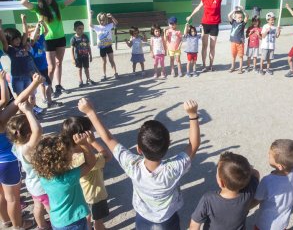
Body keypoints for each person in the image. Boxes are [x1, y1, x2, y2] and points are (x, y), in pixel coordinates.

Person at [76, 97, 200, 229]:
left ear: (138, 149)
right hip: (168, 220)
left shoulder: (132, 165)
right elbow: (193, 146)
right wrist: (193, 115)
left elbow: (109, 139)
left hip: (143, 217)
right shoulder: (174, 168)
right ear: (168, 145)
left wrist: (90, 112)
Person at [0, 72, 43, 229]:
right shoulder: (1, 118)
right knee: (12, 199)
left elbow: (4, 101)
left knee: (1, 194)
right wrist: (35, 84)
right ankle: (19, 225)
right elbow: (16, 101)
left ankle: (5, 221)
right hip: (7, 162)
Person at [21, 0, 77, 97]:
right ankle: (48, 89)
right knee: (51, 67)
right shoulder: (38, 8)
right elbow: (23, 3)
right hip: (47, 39)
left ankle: (58, 86)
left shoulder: (58, 5)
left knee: (59, 62)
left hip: (60, 38)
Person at [32, 131, 96, 229]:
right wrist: (85, 144)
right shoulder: (67, 179)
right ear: (62, 160)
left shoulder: (44, 176)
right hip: (73, 222)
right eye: (70, 151)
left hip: (57, 221)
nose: (72, 152)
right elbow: (90, 163)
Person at [61, 116, 112, 230]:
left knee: (87, 217)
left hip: (80, 195)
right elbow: (108, 156)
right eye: (90, 130)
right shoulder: (89, 158)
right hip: (96, 196)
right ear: (82, 136)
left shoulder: (69, 154)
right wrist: (93, 142)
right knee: (98, 220)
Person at [8, 97, 51, 230]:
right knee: (52, 209)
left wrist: (27, 110)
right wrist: (28, 112)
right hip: (42, 185)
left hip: (32, 185)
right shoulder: (27, 148)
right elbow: (38, 130)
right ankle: (57, 225)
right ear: (28, 134)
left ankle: (42, 226)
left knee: (38, 206)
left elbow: (17, 125)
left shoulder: (16, 145)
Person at [189, 152, 259, 229]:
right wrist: (246, 170)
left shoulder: (208, 199)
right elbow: (256, 173)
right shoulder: (249, 192)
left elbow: (194, 225)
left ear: (221, 183)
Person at [251, 139, 293, 230]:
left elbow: (256, 200)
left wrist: (244, 208)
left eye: (270, 155)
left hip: (265, 224)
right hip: (282, 223)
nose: (268, 155)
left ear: (279, 166)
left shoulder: (268, 181)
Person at [186, 0, 224, 72]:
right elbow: (198, 8)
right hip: (205, 24)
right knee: (204, 46)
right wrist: (190, 16)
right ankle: (204, 65)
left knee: (212, 46)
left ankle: (211, 65)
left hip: (214, 25)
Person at [28, 20, 63, 109]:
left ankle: (46, 100)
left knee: (45, 84)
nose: (38, 34)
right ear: (29, 36)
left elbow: (46, 31)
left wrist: (43, 24)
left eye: (38, 32)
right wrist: (37, 27)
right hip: (37, 69)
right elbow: (33, 38)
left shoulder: (40, 39)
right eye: (35, 33)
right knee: (45, 85)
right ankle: (48, 102)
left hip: (44, 67)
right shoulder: (32, 43)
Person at [3, 14, 37, 96]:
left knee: (30, 94)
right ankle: (21, 109)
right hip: (17, 78)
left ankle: (33, 107)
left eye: (18, 38)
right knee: (20, 97)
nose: (18, 40)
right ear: (9, 41)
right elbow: (3, 40)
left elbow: (25, 33)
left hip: (27, 75)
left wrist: (23, 21)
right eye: (15, 39)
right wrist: (0, 30)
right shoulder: (9, 50)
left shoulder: (22, 45)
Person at [89, 10, 119, 81]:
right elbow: (90, 25)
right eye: (100, 20)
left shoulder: (109, 25)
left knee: (111, 60)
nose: (102, 22)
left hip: (109, 46)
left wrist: (111, 17)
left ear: (106, 20)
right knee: (104, 61)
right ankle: (104, 74)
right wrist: (90, 15)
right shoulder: (97, 27)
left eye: (103, 20)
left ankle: (115, 73)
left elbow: (116, 23)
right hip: (102, 48)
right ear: (99, 20)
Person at [71, 21, 96, 88]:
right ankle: (80, 81)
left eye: (82, 28)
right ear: (75, 29)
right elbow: (72, 49)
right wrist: (73, 58)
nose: (81, 30)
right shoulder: (73, 39)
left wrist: (90, 55)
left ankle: (88, 79)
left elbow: (88, 46)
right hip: (78, 57)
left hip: (85, 56)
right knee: (79, 69)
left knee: (86, 68)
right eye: (79, 28)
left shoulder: (85, 36)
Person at [228, 7, 248, 74]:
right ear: (235, 18)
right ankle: (232, 67)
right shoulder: (233, 22)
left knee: (240, 56)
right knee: (233, 56)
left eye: (241, 17)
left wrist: (243, 10)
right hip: (233, 42)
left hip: (240, 43)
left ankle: (240, 68)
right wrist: (234, 10)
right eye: (239, 17)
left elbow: (247, 16)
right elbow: (228, 15)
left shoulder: (242, 23)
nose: (240, 18)